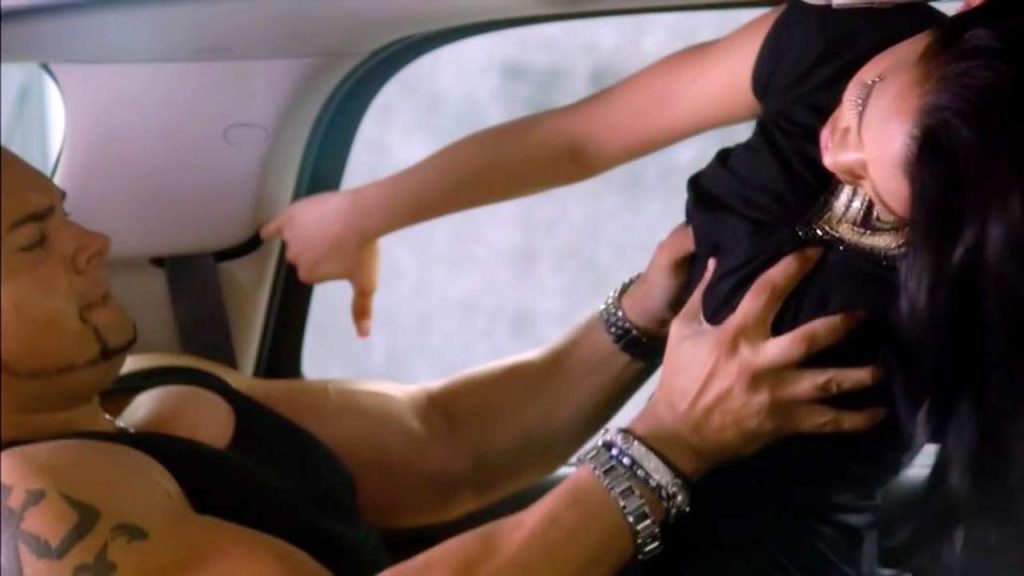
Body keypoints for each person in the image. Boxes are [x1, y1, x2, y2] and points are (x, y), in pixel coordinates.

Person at [262, 0, 1023, 573]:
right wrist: (364, 213)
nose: (837, 151)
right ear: (966, 15)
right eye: (860, 104)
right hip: (621, 505)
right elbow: (576, 138)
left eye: (879, 189)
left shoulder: (989, 258)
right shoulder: (839, 45)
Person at [0, 146, 885, 575]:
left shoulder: (146, 387)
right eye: (35, 241)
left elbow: (444, 444)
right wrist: (672, 442)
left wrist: (641, 318)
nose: (92, 242)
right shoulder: (38, 517)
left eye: (62, 215)